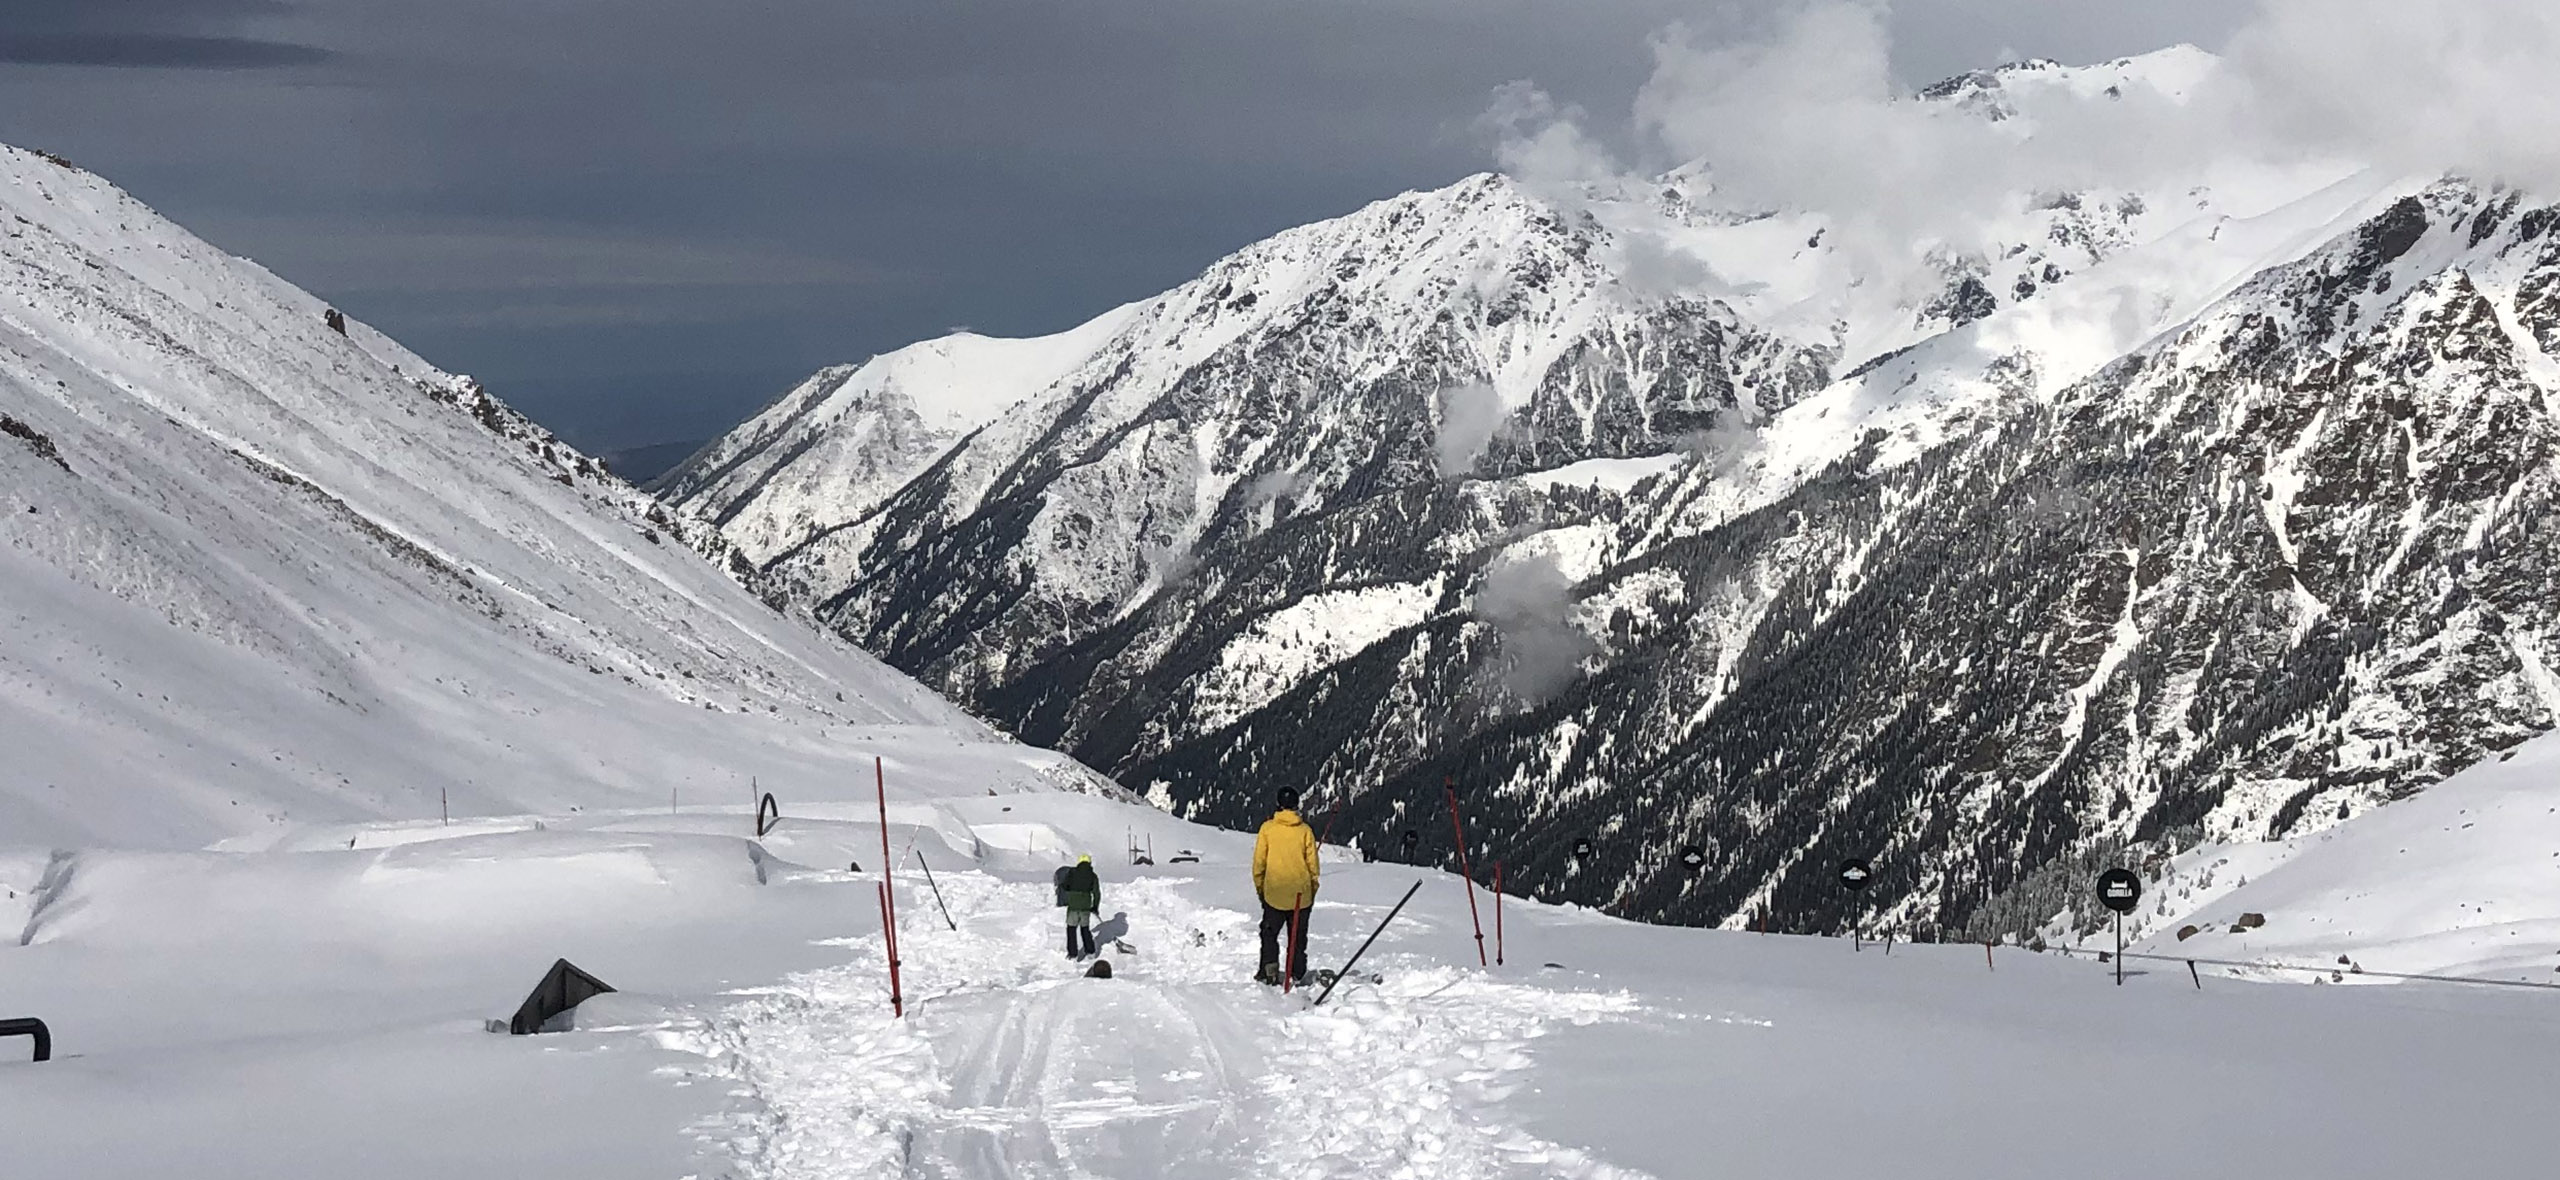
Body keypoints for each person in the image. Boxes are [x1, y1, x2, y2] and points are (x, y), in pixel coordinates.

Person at [1250, 788, 1319, 985]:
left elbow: (1259, 864)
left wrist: (1261, 890)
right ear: (1297, 805)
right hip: (1301, 895)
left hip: (1274, 893)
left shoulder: (1268, 829)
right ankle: (1296, 973)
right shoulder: (1305, 831)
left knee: (1269, 933)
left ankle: (1269, 970)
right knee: (1297, 937)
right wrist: (1311, 890)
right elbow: (1313, 867)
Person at [1057, 854, 1102, 960]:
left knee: (1071, 930)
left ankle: (1072, 954)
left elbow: (1065, 886)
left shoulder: (1072, 873)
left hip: (1073, 906)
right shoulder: (1092, 875)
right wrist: (1095, 906)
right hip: (1085, 906)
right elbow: (1096, 893)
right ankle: (1090, 951)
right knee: (1085, 929)